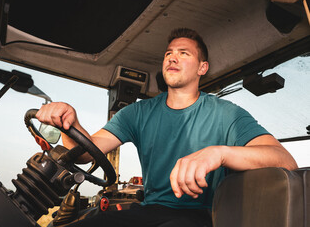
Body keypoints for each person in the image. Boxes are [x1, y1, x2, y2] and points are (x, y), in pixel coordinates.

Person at [36, 28, 298, 227]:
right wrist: (68, 124)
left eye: (184, 54)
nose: (173, 58)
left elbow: (284, 160)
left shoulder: (226, 114)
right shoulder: (138, 113)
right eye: (168, 54)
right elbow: (85, 153)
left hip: (203, 216)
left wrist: (219, 153)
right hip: (151, 210)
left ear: (202, 67)